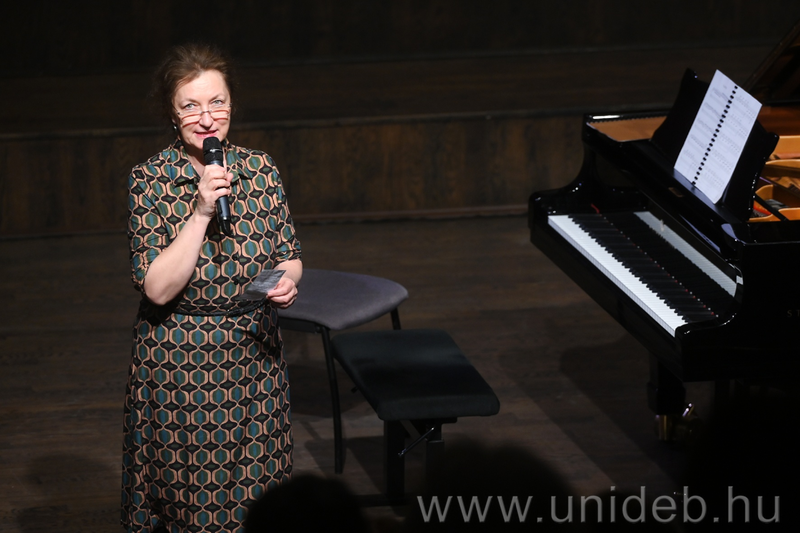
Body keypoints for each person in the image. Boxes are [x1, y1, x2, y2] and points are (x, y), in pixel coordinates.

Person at [121, 43, 302, 533]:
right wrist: (201, 212)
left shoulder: (260, 169)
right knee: (195, 506)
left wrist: (285, 282)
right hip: (183, 368)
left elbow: (289, 254)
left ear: (232, 104)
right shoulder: (150, 181)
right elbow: (157, 290)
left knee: (263, 502)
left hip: (256, 360)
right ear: (171, 113)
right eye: (191, 106)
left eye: (217, 103)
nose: (206, 118)